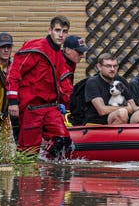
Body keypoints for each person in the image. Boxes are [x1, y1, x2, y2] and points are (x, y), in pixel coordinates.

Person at [6, 15, 86, 155]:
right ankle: (29, 173)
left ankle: (48, 170)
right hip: (31, 108)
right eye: (57, 30)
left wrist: (67, 106)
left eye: (64, 31)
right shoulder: (37, 48)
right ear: (50, 30)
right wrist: (13, 101)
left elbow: (61, 86)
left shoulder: (59, 56)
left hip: (50, 108)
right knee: (28, 152)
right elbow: (14, 72)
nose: (61, 35)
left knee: (63, 140)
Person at [84, 52, 136, 125]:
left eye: (115, 66)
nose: (112, 69)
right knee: (122, 112)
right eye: (108, 66)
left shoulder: (121, 81)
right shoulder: (93, 82)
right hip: (99, 122)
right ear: (99, 67)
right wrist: (127, 108)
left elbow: (132, 105)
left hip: (123, 117)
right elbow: (102, 110)